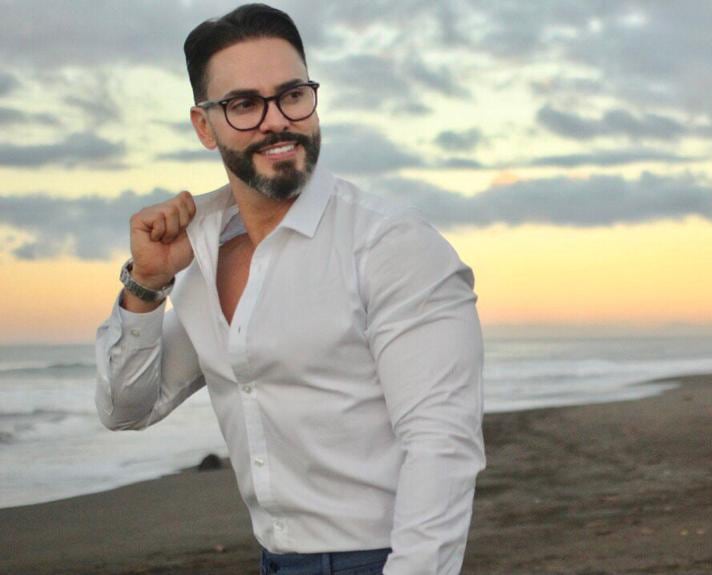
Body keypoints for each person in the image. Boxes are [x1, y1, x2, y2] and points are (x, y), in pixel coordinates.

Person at [93, 4, 485, 574]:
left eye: (292, 95)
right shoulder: (202, 257)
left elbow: (442, 448)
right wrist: (147, 285)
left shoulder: (390, 245)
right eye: (244, 104)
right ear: (204, 126)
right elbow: (125, 408)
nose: (276, 121)